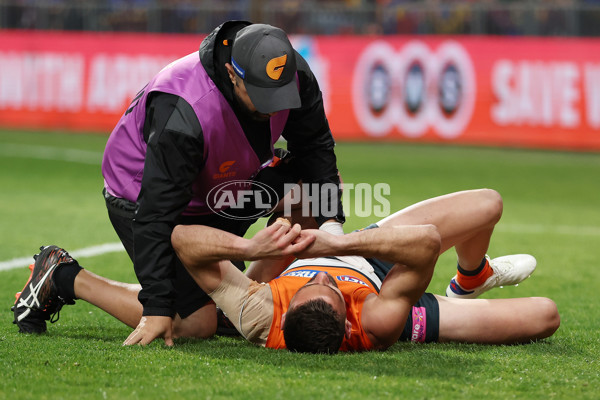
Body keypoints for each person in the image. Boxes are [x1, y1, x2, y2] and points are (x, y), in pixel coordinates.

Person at [12, 21, 345, 345]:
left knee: (315, 192)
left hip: (225, 186)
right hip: (144, 198)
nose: (274, 110)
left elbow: (316, 147)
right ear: (231, 74)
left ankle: (238, 300)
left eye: (279, 97)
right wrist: (157, 309)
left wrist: (333, 225)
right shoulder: (184, 109)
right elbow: (156, 212)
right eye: (262, 98)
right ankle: (61, 275)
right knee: (196, 323)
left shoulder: (290, 73)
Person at [12, 189, 560, 352]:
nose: (317, 278)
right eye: (323, 287)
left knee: (200, 318)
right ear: (350, 319)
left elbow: (183, 241)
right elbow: (424, 244)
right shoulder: (377, 319)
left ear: (286, 304)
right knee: (542, 314)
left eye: (308, 288)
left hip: (268, 271)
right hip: (375, 268)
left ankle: (63, 276)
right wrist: (342, 244)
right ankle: (460, 291)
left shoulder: (260, 311)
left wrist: (252, 252)